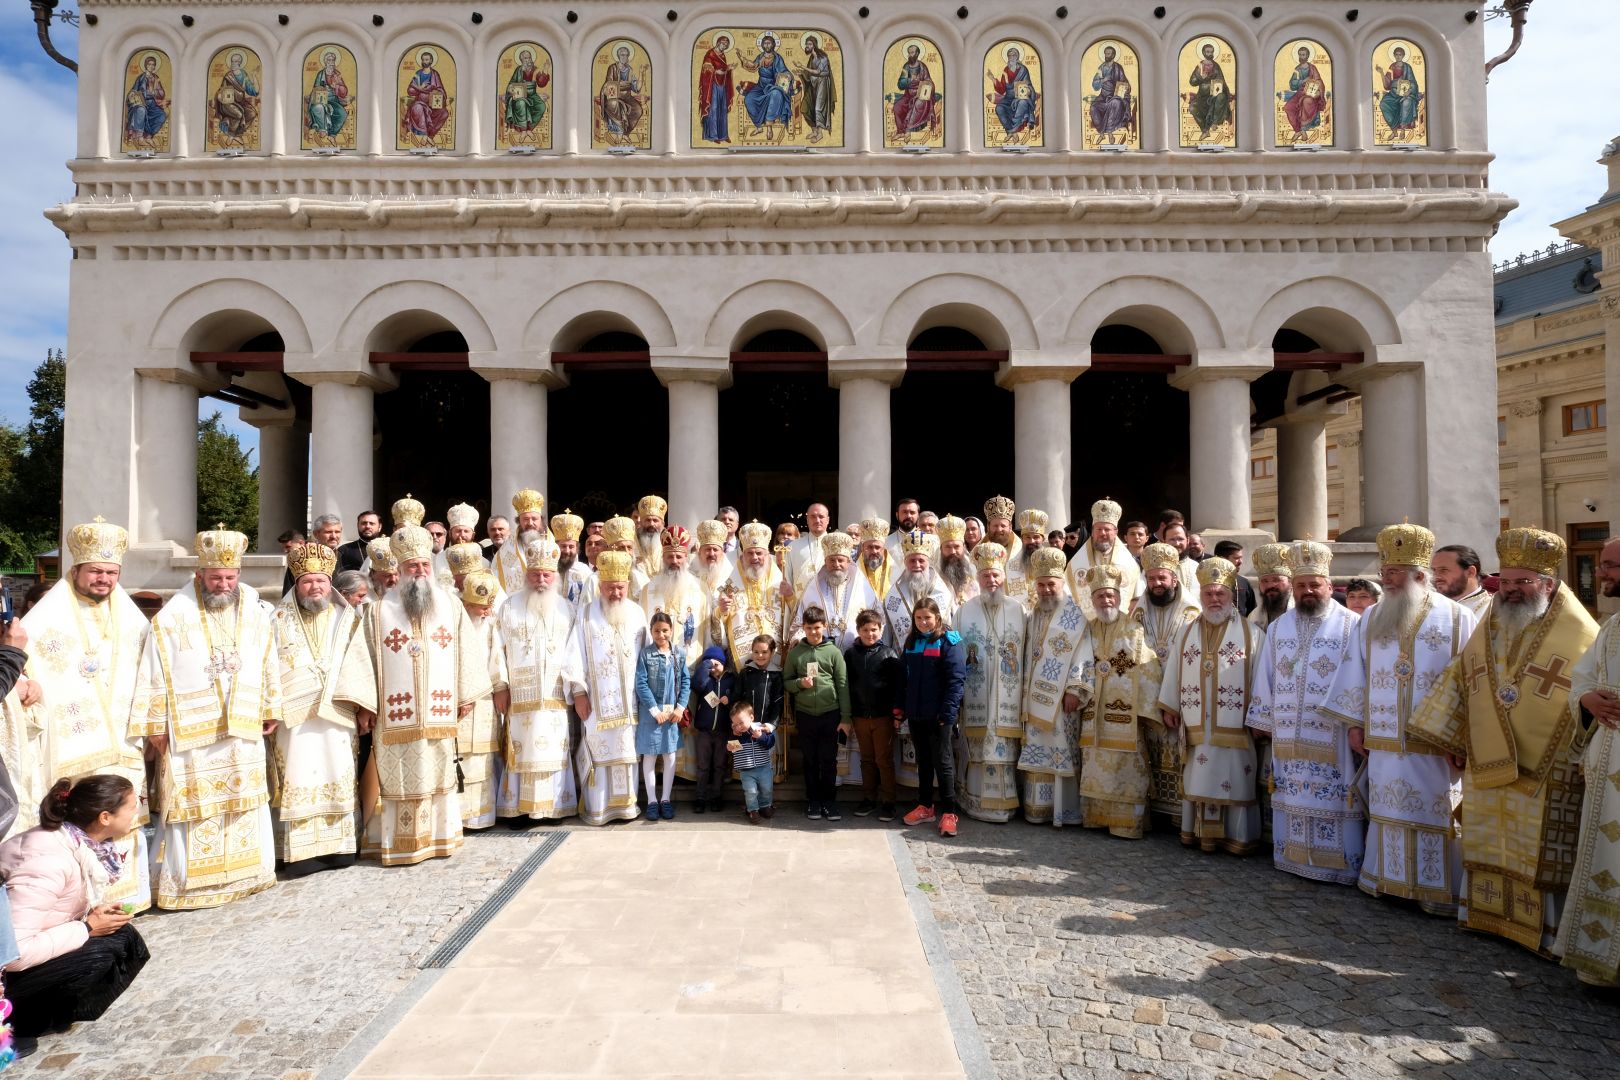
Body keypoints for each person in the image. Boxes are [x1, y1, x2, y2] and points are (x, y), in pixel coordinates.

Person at [1411, 528, 1600, 956]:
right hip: (1487, 755)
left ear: (1549, 585)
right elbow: (1464, 675)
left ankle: (1545, 932)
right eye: (1508, 582)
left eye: (1523, 582)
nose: (1512, 591)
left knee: (1537, 846)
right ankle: (1486, 915)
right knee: (1489, 836)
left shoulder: (1581, 632)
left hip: (1545, 768)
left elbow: (1582, 689)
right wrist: (1455, 736)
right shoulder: (1492, 621)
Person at [1321, 524, 1476, 914]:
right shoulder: (1372, 617)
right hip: (1384, 738)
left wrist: (1462, 739)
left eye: (1394, 573)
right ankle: (1385, 880)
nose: (1385, 580)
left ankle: (1435, 892)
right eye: (1384, 572)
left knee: (1436, 811)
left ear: (1420, 576)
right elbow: (1354, 669)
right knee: (1387, 808)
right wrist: (1356, 724)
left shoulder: (1458, 618)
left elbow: (1470, 681)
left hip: (1435, 742)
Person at [1, 519, 149, 907]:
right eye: (96, 571)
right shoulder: (41, 620)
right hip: (71, 744)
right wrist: (25, 685)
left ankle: (126, 895)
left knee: (124, 814)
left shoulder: (134, 619)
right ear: (76, 571)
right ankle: (82, 901)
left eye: (112, 573)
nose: (104, 579)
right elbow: (20, 672)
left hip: (122, 739)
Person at [130, 526, 278, 908]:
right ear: (199, 575)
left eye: (230, 577)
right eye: (216, 577)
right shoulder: (172, 615)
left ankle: (249, 872)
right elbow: (154, 671)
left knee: (244, 797)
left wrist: (271, 707)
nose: (223, 584)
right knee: (194, 805)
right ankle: (191, 884)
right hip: (190, 731)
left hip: (242, 723)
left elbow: (268, 658)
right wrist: (155, 726)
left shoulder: (253, 607)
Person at [334, 524, 492, 865]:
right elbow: (363, 660)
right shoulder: (377, 612)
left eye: (423, 566)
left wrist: (465, 695)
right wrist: (365, 706)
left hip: (440, 712)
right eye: (411, 567)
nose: (419, 572)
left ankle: (439, 837)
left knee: (438, 772)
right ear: (400, 571)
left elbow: (467, 650)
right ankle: (399, 843)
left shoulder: (450, 606)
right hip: (394, 718)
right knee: (398, 775)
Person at [1246, 541, 1363, 883]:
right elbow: (1265, 674)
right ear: (1293, 589)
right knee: (1291, 791)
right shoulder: (1280, 627)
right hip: (1287, 733)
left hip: (1333, 734)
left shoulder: (1350, 625)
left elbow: (1359, 679)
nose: (1308, 591)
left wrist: (1357, 722)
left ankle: (1337, 866)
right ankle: (1292, 856)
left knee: (1335, 797)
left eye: (1315, 584)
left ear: (1329, 586)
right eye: (1301, 585)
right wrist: (1262, 719)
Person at [0, 776, 149, 1038]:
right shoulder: (48, 861)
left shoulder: (80, 845)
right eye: (131, 805)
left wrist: (94, 917)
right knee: (103, 952)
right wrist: (88, 927)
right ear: (105, 817)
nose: (136, 809)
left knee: (126, 940)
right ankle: (20, 1022)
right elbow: (13, 953)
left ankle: (45, 1018)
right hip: (7, 971)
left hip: (24, 956)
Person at [1158, 557, 1265, 855]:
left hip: (1237, 728)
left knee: (1236, 778)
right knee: (1199, 775)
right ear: (1201, 595)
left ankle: (1237, 838)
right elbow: (1173, 673)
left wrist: (1259, 717)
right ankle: (1198, 834)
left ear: (1232, 595)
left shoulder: (1252, 634)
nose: (1214, 599)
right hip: (1195, 726)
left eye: (1220, 594)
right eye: (1209, 594)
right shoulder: (1187, 631)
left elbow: (1260, 679)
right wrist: (1170, 707)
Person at [268, 542, 359, 874]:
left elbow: (361, 663)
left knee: (338, 773)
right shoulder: (276, 619)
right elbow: (266, 666)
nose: (315, 587)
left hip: (338, 713)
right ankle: (301, 855)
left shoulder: (348, 617)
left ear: (330, 582)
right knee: (297, 774)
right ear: (296, 583)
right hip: (295, 719)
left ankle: (340, 849)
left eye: (320, 580)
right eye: (307, 581)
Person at [1555, 536, 1620, 986]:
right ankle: (1603, 964)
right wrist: (1588, 699)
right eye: (1600, 565)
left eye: (1611, 566)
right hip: (1607, 767)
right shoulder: (1612, 627)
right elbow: (1580, 678)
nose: (1600, 574)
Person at [491, 534, 579, 825]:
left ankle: (552, 808)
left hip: (554, 693)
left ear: (554, 576)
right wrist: (501, 685)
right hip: (519, 694)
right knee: (521, 747)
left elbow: (574, 653)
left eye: (546, 574)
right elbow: (498, 648)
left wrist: (576, 690)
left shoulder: (567, 608)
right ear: (526, 574)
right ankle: (518, 808)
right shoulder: (509, 606)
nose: (541, 579)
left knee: (554, 749)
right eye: (535, 573)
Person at [1074, 563, 1163, 838]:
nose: (1106, 600)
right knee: (1095, 763)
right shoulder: (1087, 629)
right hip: (1093, 711)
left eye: (1111, 595)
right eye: (1100, 596)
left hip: (1125, 715)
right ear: (1092, 600)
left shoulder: (1133, 630)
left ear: (1119, 597)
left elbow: (1149, 666)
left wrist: (1147, 710)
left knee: (1126, 769)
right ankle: (1097, 819)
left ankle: (1127, 824)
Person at [564, 551, 647, 825]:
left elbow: (647, 657)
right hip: (597, 704)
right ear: (600, 587)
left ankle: (626, 807)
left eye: (620, 587)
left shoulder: (636, 613)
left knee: (626, 753)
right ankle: (597, 809)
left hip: (631, 701)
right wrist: (578, 693)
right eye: (610, 587)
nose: (616, 592)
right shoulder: (585, 614)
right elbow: (574, 654)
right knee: (598, 752)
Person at [954, 542, 1024, 824]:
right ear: (978, 579)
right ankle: (974, 802)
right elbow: (956, 651)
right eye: (986, 577)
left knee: (1005, 747)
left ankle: (1005, 804)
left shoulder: (1018, 610)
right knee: (977, 747)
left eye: (995, 576)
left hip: (1009, 693)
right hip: (976, 693)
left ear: (1003, 577)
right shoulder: (964, 611)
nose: (991, 581)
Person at [1018, 547, 1088, 826]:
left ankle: (1061, 811)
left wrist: (1074, 689)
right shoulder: (1034, 613)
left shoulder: (1076, 616)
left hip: (1060, 699)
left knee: (1060, 748)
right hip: (1033, 696)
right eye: (1041, 584)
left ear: (1062, 584)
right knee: (1037, 746)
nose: (1046, 590)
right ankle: (1037, 809)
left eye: (1051, 584)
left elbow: (1083, 654)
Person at [897, 598, 967, 837]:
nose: (923, 622)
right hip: (917, 714)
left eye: (927, 617)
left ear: (937, 618)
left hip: (939, 715)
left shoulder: (949, 641)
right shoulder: (912, 641)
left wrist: (948, 713)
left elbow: (956, 680)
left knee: (943, 762)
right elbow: (904, 678)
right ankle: (926, 806)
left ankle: (949, 812)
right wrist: (901, 709)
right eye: (918, 618)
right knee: (924, 762)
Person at [784, 606, 849, 821]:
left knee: (828, 760)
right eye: (809, 628)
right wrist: (799, 684)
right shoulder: (796, 653)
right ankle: (813, 801)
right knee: (810, 760)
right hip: (805, 714)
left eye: (817, 628)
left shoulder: (833, 652)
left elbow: (842, 685)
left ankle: (830, 802)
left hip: (830, 713)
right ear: (803, 628)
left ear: (825, 626)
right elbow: (786, 682)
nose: (813, 632)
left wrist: (846, 718)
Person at [456, 571, 505, 830]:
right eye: (479, 607)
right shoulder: (453, 626)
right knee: (460, 758)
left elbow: (497, 658)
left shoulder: (491, 626)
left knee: (483, 758)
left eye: (488, 607)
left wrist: (500, 687)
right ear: (466, 603)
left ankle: (481, 817)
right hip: (457, 701)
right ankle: (459, 817)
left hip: (484, 700)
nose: (484, 612)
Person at [844, 610, 901, 820]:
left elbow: (897, 687)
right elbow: (846, 684)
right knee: (866, 759)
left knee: (883, 760)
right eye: (865, 630)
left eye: (874, 630)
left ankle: (889, 802)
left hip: (882, 717)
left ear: (881, 630)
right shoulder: (850, 654)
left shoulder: (889, 654)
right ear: (858, 630)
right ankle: (868, 798)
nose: (870, 634)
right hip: (860, 717)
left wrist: (897, 715)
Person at [634, 612, 689, 822]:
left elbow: (685, 681)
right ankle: (651, 801)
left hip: (672, 714)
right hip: (652, 714)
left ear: (672, 630)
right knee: (649, 756)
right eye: (657, 631)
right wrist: (654, 710)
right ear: (651, 631)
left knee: (670, 756)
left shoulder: (679, 654)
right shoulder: (646, 655)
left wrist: (680, 707)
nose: (661, 635)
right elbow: (641, 683)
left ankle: (665, 799)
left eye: (665, 630)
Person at [716, 523, 788, 674]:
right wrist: (722, 610)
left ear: (767, 556)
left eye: (759, 553)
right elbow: (720, 616)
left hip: (773, 645)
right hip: (744, 645)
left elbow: (790, 611)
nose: (755, 557)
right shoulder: (731, 581)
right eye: (750, 553)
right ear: (743, 556)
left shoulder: (778, 579)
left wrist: (790, 596)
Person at [789, 531, 876, 649]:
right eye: (832, 560)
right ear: (825, 562)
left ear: (848, 561)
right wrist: (799, 638)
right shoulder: (813, 588)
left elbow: (877, 620)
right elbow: (799, 625)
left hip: (857, 653)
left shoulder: (862, 587)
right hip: (820, 653)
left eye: (840, 560)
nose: (836, 564)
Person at [1065, 498, 1143, 620]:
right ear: (1092, 531)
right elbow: (1068, 596)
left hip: (1120, 626)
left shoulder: (1130, 565)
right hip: (1087, 626)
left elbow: (1137, 598)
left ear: (1115, 531)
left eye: (1107, 529)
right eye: (1099, 529)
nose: (1102, 533)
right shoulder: (1075, 565)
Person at [882, 531, 956, 649]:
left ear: (928, 562)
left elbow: (952, 629)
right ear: (905, 563)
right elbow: (887, 636)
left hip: (938, 656)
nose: (917, 565)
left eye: (921, 560)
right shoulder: (893, 596)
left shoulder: (945, 591)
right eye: (912, 560)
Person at [688, 645, 734, 814]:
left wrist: (729, 699)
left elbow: (736, 696)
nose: (714, 668)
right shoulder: (704, 679)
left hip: (722, 732)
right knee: (703, 766)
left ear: (724, 664)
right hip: (704, 732)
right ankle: (700, 797)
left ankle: (716, 797)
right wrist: (705, 666)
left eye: (717, 664)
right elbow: (696, 685)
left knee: (719, 766)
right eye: (710, 664)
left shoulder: (730, 679)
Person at [737, 634, 787, 779]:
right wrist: (737, 723)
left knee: (766, 764)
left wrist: (771, 725)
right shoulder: (745, 672)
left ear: (772, 653)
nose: (760, 655)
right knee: (748, 764)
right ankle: (751, 797)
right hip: (746, 727)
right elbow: (738, 698)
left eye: (764, 652)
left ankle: (766, 798)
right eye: (756, 652)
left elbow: (778, 701)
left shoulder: (776, 675)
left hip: (765, 728)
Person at [726, 702, 776, 824]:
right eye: (735, 724)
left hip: (763, 767)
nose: (739, 726)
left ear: (751, 718)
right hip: (746, 770)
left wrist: (760, 737)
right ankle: (752, 810)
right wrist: (729, 747)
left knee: (767, 789)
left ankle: (765, 806)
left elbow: (770, 743)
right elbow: (730, 747)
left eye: (741, 722)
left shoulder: (761, 728)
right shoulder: (736, 734)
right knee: (751, 792)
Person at [491, 489, 545, 595]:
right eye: (525, 519)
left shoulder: (555, 545)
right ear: (518, 521)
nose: (530, 523)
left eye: (534, 518)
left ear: (541, 520)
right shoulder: (503, 554)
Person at [1187, 40, 1233, 141]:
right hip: (1202, 98)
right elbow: (1192, 82)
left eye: (1211, 52)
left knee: (1221, 98)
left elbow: (1221, 81)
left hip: (1215, 95)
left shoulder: (1216, 66)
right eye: (1207, 52)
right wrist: (1201, 77)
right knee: (1192, 108)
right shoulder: (1199, 66)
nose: (1210, 54)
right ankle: (1205, 130)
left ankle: (1215, 122)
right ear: (1203, 53)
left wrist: (1215, 86)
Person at [1432, 544, 1492, 619]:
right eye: (1434, 570)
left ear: (1470, 572)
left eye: (1444, 570)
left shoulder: (1492, 612)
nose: (1436, 576)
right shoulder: (1431, 607)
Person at [785, 503, 832, 591]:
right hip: (800, 603)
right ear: (807, 519)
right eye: (813, 516)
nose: (817, 520)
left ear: (828, 520)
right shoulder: (793, 546)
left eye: (821, 516)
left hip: (829, 601)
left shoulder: (836, 544)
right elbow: (787, 578)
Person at [935, 516, 979, 609]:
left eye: (956, 546)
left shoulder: (973, 573)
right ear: (941, 549)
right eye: (948, 547)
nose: (953, 552)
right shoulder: (934, 575)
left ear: (963, 547)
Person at [1251, 542, 1294, 628]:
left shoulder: (1302, 613)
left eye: (1276, 580)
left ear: (1291, 582)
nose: (1270, 585)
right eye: (1264, 581)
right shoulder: (1253, 617)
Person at [1213, 540, 1256, 618]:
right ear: (1223, 560)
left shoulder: (1244, 582)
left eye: (1241, 558)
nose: (1241, 562)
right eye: (1237, 558)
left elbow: (1252, 611)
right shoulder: (1209, 582)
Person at [857, 517, 896, 602]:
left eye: (877, 547)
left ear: (884, 548)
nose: (874, 551)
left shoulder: (895, 570)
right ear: (863, 548)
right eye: (869, 547)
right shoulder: (855, 571)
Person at [631, 496, 668, 580]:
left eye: (655, 520)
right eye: (647, 520)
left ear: (663, 523)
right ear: (641, 522)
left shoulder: (669, 542)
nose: (651, 524)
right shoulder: (631, 542)